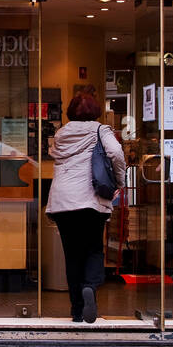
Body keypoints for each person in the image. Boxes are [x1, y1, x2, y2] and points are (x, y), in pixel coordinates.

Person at [46, 92, 126, 323]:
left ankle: (77, 311)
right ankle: (90, 286)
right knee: (93, 248)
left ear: (71, 111)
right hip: (89, 199)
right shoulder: (100, 130)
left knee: (72, 255)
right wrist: (119, 181)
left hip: (62, 201)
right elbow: (116, 153)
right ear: (95, 111)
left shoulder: (61, 133)